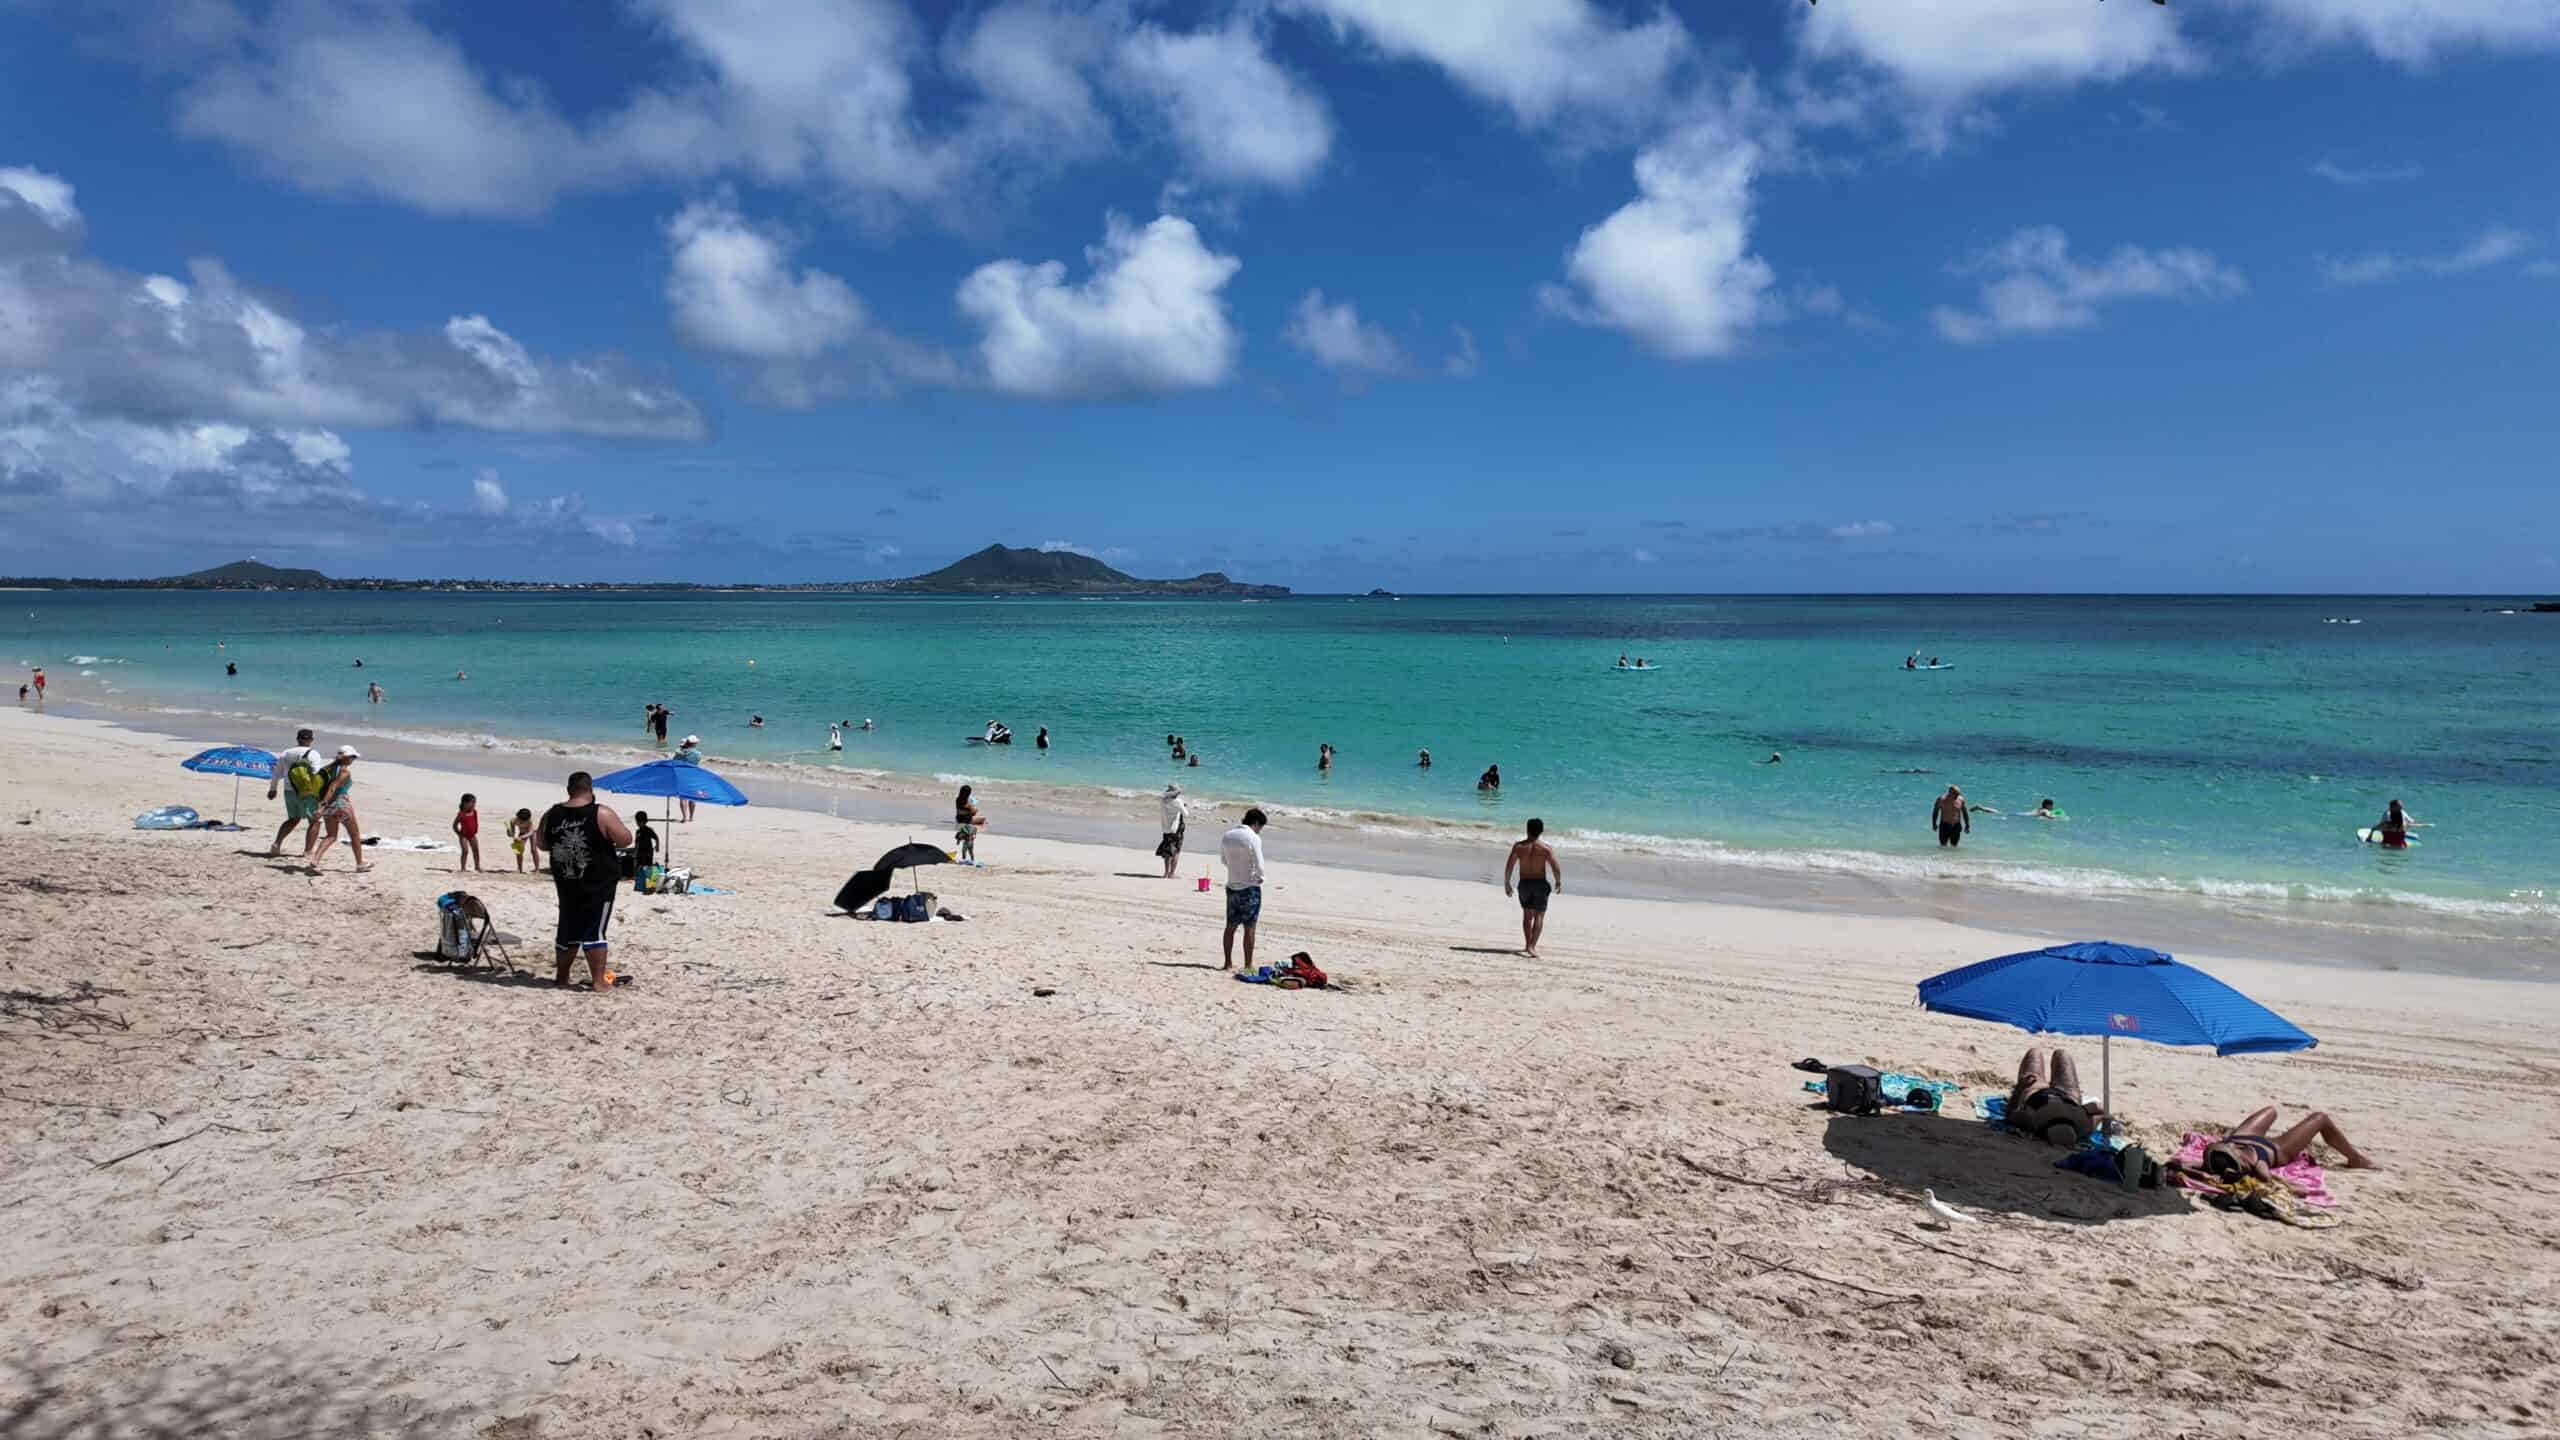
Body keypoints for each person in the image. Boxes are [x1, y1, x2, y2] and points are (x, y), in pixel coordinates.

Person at [533, 771, 632, 991]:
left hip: (567, 881)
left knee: (568, 928)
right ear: (590, 791)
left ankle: (562, 977)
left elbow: (541, 843)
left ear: (569, 790)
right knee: (594, 930)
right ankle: (598, 981)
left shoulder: (552, 814)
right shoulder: (601, 813)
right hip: (599, 882)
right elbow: (625, 839)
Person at [2192, 1107, 2377, 1186]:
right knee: (2320, 1119)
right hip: (2276, 1148)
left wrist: (2202, 1174)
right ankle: (2355, 1159)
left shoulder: (2215, 1159)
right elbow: (2266, 1179)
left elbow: (2181, 1166)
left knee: (2271, 1111)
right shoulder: (2257, 1164)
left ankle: (2356, 1158)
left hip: (2244, 1137)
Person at [2008, 1047, 2103, 1146]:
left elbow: (2012, 1113)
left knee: (2035, 1053)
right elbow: (2100, 1109)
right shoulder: (2082, 1122)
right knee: (2061, 1054)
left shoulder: (2031, 1122)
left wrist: (2021, 1087)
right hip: (2067, 1094)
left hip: (2037, 1089)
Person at [1503, 818, 1563, 958]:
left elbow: (1510, 865)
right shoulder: (1546, 849)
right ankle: (1532, 946)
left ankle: (1527, 944)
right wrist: (1558, 881)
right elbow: (1555, 867)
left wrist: (1507, 882)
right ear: (1541, 831)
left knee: (1527, 915)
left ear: (1527, 829)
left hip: (1524, 884)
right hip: (1540, 884)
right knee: (1539, 916)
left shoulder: (1518, 847)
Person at [303, 747, 369, 875]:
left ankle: (315, 861)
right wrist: (321, 807)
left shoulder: (328, 768)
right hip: (340, 805)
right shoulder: (344, 772)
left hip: (329, 808)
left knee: (331, 835)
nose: (353, 760)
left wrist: (322, 806)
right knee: (354, 834)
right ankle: (360, 863)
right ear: (347, 757)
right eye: (353, 757)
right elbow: (333, 788)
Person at [1220, 808, 1269, 971]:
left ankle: (1227, 962)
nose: (1259, 831)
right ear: (1256, 824)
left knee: (1230, 926)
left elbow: (1224, 860)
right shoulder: (1253, 837)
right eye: (1260, 828)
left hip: (1232, 885)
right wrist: (1259, 877)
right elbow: (1260, 866)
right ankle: (1248, 965)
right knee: (1250, 927)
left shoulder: (1228, 836)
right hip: (1249, 888)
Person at [265, 727, 325, 859]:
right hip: (307, 791)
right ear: (311, 740)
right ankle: (308, 851)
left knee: (293, 819)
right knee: (315, 821)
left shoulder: (286, 753)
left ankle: (276, 844)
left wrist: (273, 789)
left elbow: (277, 773)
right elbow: (315, 774)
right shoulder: (313, 753)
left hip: (289, 790)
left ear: (297, 739)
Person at [1156, 783, 1187, 878]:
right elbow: (1186, 814)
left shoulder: (1162, 800)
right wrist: (1184, 806)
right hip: (1175, 829)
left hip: (1165, 828)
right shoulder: (1178, 801)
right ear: (1176, 793)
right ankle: (1172, 873)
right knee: (1176, 851)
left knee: (1167, 851)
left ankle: (1165, 873)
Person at [672, 736, 703, 822]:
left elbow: (674, 762)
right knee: (692, 797)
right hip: (693, 775)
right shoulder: (698, 754)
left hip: (682, 774)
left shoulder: (679, 753)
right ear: (694, 744)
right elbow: (697, 763)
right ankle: (691, 817)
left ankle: (684, 817)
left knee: (683, 797)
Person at [954, 784, 985, 864]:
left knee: (977, 817)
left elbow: (964, 811)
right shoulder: (968, 803)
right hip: (967, 820)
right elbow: (974, 812)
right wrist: (973, 806)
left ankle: (964, 835)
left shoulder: (957, 799)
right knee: (983, 819)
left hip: (959, 819)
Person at [452, 793, 483, 873]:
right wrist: (459, 834)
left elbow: (476, 822)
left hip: (472, 835)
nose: (474, 804)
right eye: (472, 802)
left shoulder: (474, 812)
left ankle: (477, 866)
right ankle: (463, 868)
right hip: (464, 835)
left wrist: (475, 830)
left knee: (476, 850)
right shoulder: (461, 814)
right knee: (465, 851)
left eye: (474, 802)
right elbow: (454, 825)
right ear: (465, 803)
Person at [507, 807, 537, 873]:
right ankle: (520, 869)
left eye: (523, 821)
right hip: (522, 832)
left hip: (532, 833)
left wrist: (521, 837)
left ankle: (537, 869)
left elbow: (531, 832)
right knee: (518, 850)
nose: (521, 822)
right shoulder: (513, 821)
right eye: (520, 820)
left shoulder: (530, 821)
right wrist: (509, 833)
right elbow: (512, 833)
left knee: (533, 849)